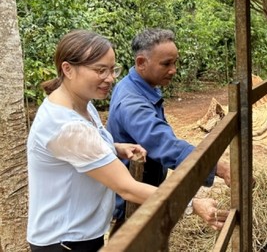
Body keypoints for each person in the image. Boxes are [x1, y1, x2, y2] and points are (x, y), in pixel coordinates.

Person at [26, 30, 225, 252]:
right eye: (100, 70)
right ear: (68, 69)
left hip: (79, 231)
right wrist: (192, 204)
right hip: (65, 241)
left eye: (112, 70)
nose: (110, 78)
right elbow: (127, 188)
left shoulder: (81, 103)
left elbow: (80, 148)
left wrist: (115, 147)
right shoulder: (68, 126)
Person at [107, 28, 231, 231]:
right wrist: (217, 166)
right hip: (132, 204)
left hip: (146, 193)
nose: (173, 69)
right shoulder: (132, 103)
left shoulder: (143, 86)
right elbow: (164, 144)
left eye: (175, 62)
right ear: (141, 63)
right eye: (166, 64)